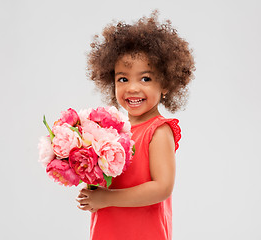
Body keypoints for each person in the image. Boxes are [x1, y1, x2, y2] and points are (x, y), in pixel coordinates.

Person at [76, 10, 195, 240]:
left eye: (145, 78)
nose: (132, 88)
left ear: (166, 84)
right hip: (108, 230)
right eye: (123, 79)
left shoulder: (158, 131)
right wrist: (91, 191)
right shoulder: (112, 132)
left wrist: (106, 198)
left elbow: (162, 188)